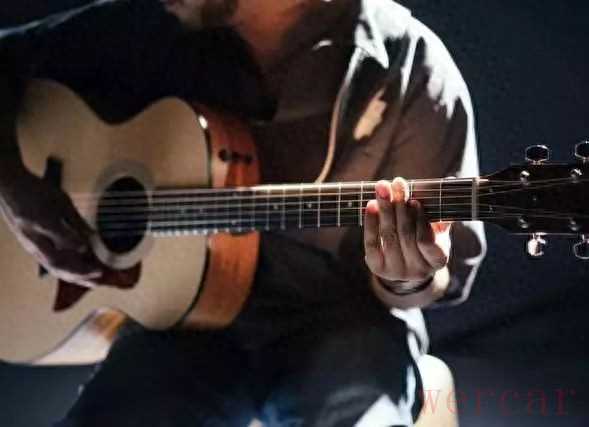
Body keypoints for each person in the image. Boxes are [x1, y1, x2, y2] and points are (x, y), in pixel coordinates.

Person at [0, 0, 486, 425]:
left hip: (344, 328)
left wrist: (406, 275)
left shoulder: (410, 65)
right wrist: (15, 186)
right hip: (178, 332)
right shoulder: (147, 27)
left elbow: (435, 280)